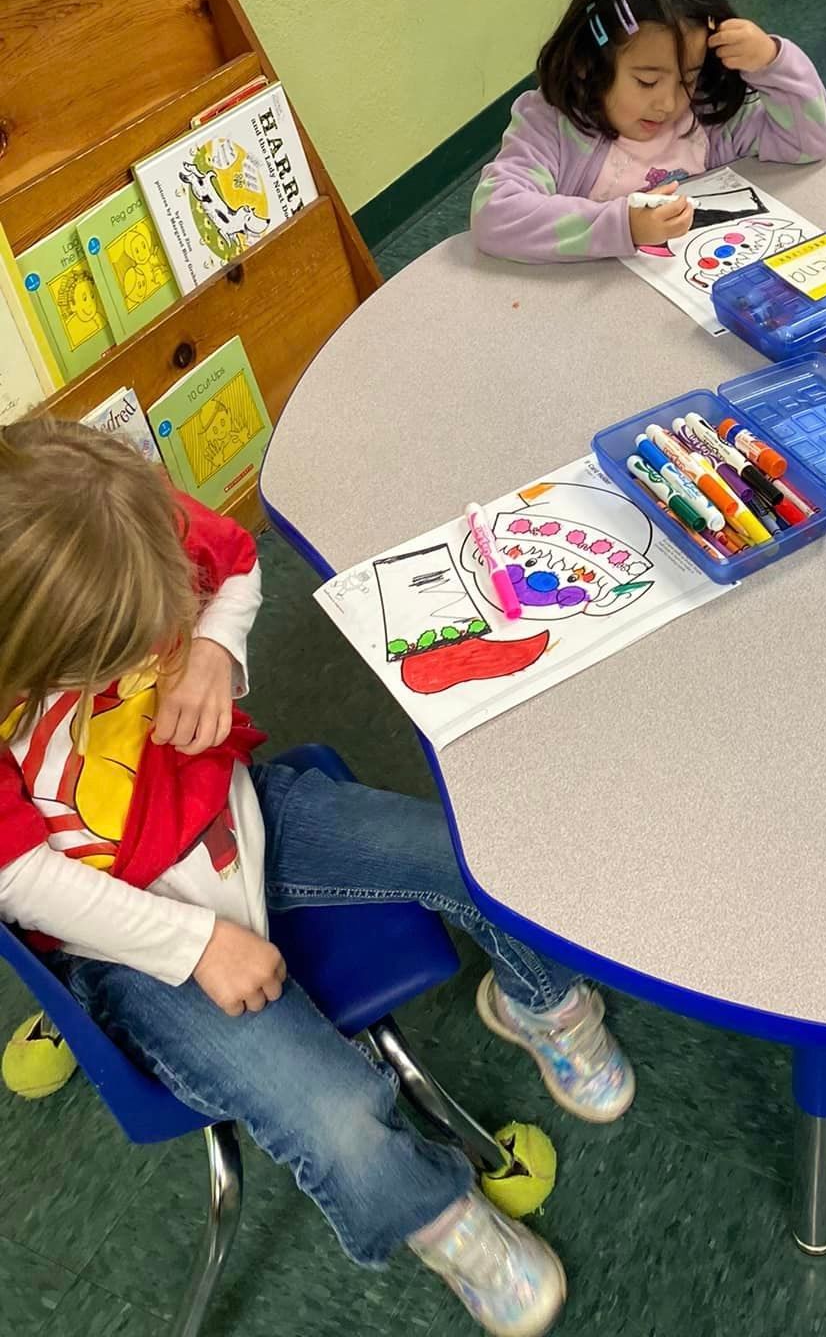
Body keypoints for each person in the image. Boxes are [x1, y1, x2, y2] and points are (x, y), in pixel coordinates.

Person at [0, 419, 635, 1337]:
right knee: (335, 1117)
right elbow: (22, 884)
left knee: (472, 857)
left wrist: (213, 649)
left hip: (237, 809)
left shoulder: (108, 519)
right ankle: (440, 1220)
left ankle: (538, 1001)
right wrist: (196, 944)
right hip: (131, 941)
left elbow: (237, 568)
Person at [470, 0, 826, 261]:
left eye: (688, 78)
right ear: (587, 62)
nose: (669, 104)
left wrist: (773, 61)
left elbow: (807, 144)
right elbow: (493, 214)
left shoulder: (707, 116)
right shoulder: (551, 126)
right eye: (647, 82)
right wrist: (623, 226)